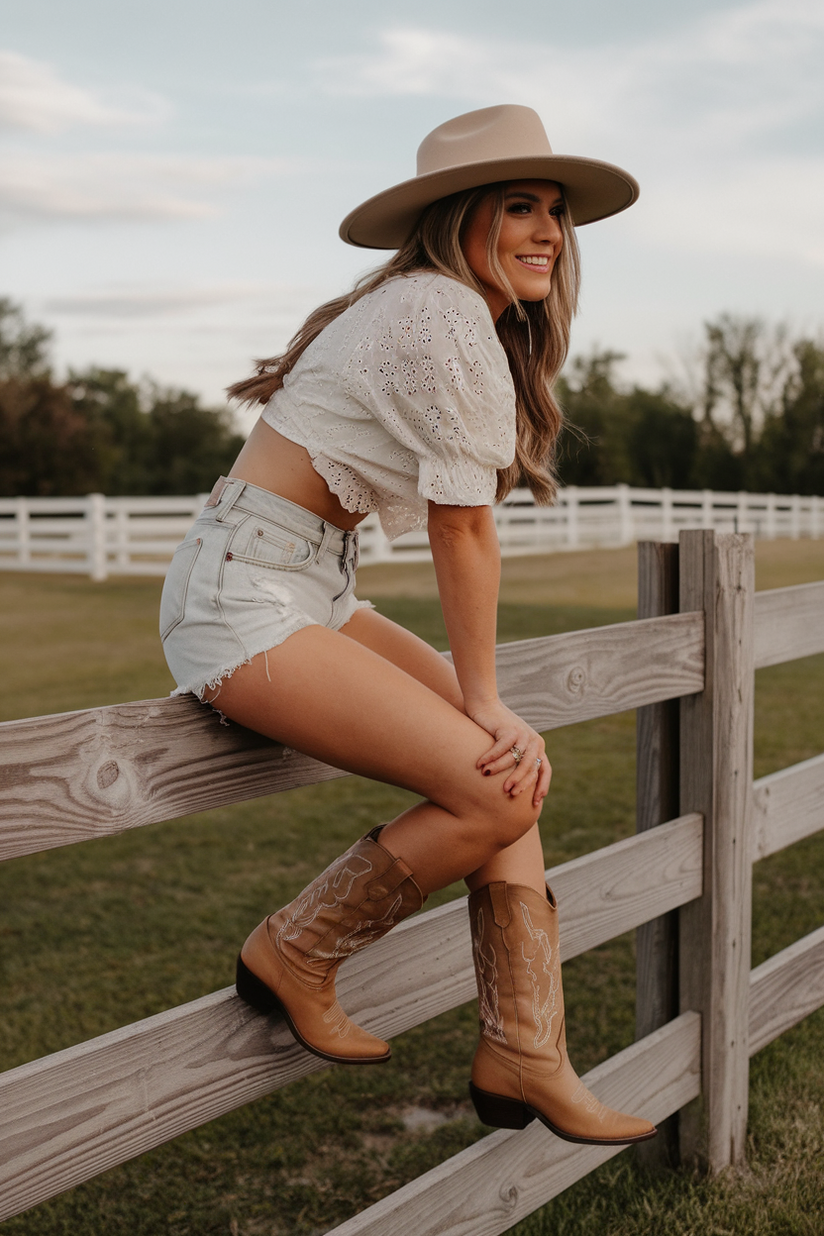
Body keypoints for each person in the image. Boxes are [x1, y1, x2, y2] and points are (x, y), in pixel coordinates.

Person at [159, 105, 656, 1147]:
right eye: (519, 207)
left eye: (555, 214)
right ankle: (293, 952)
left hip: (311, 585)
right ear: (458, 215)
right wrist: (481, 698)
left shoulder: (438, 311)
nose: (546, 234)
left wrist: (488, 713)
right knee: (489, 778)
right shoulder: (437, 312)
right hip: (244, 591)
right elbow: (462, 526)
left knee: (511, 780)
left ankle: (527, 1048)